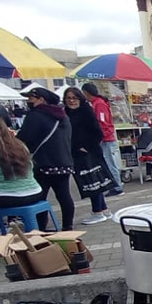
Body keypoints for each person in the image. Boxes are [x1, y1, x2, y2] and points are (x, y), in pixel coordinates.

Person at [0, 114, 44, 233]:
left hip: (9, 196)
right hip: (35, 192)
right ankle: (13, 223)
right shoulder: (19, 144)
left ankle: (0, 229)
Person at [18, 88, 75, 230]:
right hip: (64, 162)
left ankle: (40, 228)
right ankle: (68, 226)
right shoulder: (63, 115)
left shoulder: (36, 115)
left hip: (43, 163)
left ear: (41, 99)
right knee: (64, 196)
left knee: (39, 198)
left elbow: (24, 138)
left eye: (31, 98)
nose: (28, 101)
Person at [63, 88, 111, 225]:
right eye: (68, 98)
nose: (71, 101)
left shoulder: (85, 111)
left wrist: (86, 147)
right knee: (94, 181)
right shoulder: (66, 113)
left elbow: (98, 132)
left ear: (80, 98)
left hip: (87, 153)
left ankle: (97, 212)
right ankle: (103, 209)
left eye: (74, 98)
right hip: (76, 152)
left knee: (92, 181)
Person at [81, 82, 124, 197]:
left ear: (86, 93)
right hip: (106, 137)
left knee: (110, 163)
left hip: (106, 138)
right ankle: (115, 185)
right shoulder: (98, 103)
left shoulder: (98, 104)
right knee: (108, 163)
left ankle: (117, 186)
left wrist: (99, 137)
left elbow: (102, 122)